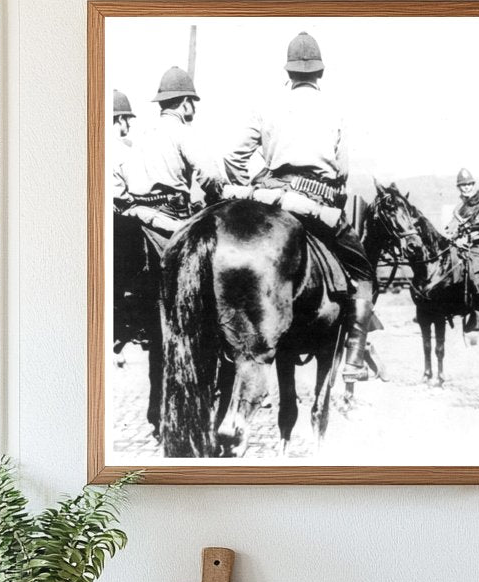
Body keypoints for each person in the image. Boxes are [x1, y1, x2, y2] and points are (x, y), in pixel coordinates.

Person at [222, 32, 376, 383]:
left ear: (289, 73)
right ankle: (354, 357)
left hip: (272, 198)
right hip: (317, 203)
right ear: (319, 73)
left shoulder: (265, 105)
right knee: (363, 271)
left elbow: (232, 156)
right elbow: (343, 170)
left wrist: (264, 178)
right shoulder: (335, 108)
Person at [116, 66, 226, 237]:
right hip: (173, 215)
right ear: (185, 102)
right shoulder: (184, 132)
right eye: (193, 102)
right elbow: (210, 176)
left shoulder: (142, 135)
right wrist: (216, 196)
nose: (194, 108)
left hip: (138, 213)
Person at [445, 168, 479, 333]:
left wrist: (470, 239)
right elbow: (451, 229)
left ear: (474, 185)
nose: (466, 188)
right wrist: (457, 239)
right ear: (459, 188)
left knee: (474, 275)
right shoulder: (458, 208)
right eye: (463, 185)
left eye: (469, 184)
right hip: (462, 247)